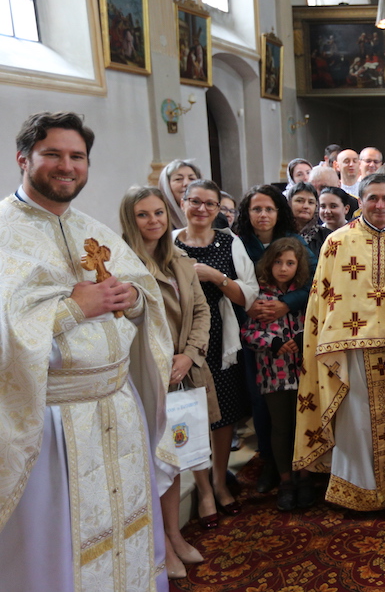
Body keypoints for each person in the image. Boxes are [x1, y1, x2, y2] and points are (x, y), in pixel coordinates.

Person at [0, 112, 174, 591]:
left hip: (117, 406)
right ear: (23, 159)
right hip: (48, 421)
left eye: (77, 156)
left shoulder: (92, 229)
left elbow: (142, 294)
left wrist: (133, 299)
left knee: (127, 525)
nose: (67, 166)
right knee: (56, 547)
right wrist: (74, 309)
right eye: (53, 154)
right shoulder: (3, 234)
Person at [294, 174, 385, 511]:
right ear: (359, 201)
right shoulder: (337, 242)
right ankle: (358, 491)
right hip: (351, 349)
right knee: (357, 424)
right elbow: (319, 301)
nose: (380, 205)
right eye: (372, 198)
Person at [120, 186, 214, 579]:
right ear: (129, 219)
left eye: (159, 212)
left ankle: (173, 534)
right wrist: (162, 360)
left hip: (182, 372)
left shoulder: (180, 261)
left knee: (172, 461)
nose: (153, 221)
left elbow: (202, 312)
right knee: (151, 463)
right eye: (143, 214)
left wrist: (189, 354)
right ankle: (160, 544)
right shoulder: (122, 264)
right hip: (144, 375)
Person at [173, 179, 258, 526]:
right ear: (182, 203)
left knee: (222, 415)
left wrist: (215, 276)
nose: (203, 209)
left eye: (211, 204)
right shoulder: (169, 242)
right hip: (180, 341)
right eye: (195, 201)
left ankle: (220, 481)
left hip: (221, 338)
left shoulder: (229, 242)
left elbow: (248, 295)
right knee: (190, 414)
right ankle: (203, 488)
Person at [233, 185, 317, 494]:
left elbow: (314, 282)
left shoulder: (294, 242)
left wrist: (287, 303)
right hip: (262, 342)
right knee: (264, 407)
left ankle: (304, 472)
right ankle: (273, 463)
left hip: (295, 339)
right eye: (256, 209)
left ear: (279, 212)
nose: (263, 215)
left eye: (269, 208)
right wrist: (251, 305)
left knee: (302, 416)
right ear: (247, 213)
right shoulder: (239, 242)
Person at [240, 237, 314, 512]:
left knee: (305, 425)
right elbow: (248, 332)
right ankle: (286, 481)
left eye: (290, 263)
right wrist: (272, 343)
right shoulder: (259, 294)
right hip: (274, 373)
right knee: (281, 428)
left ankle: (305, 476)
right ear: (269, 264)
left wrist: (301, 338)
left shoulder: (305, 295)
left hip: (305, 372)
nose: (283, 268)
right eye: (279, 262)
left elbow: (318, 324)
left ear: (299, 266)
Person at [304, 186, 355, 257]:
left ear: (346, 209)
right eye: (323, 206)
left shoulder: (355, 233)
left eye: (333, 206)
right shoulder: (313, 236)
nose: (327, 211)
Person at [159, 158, 202, 229]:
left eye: (192, 179)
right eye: (178, 179)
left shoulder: (212, 215)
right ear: (166, 186)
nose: (186, 183)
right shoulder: (159, 219)